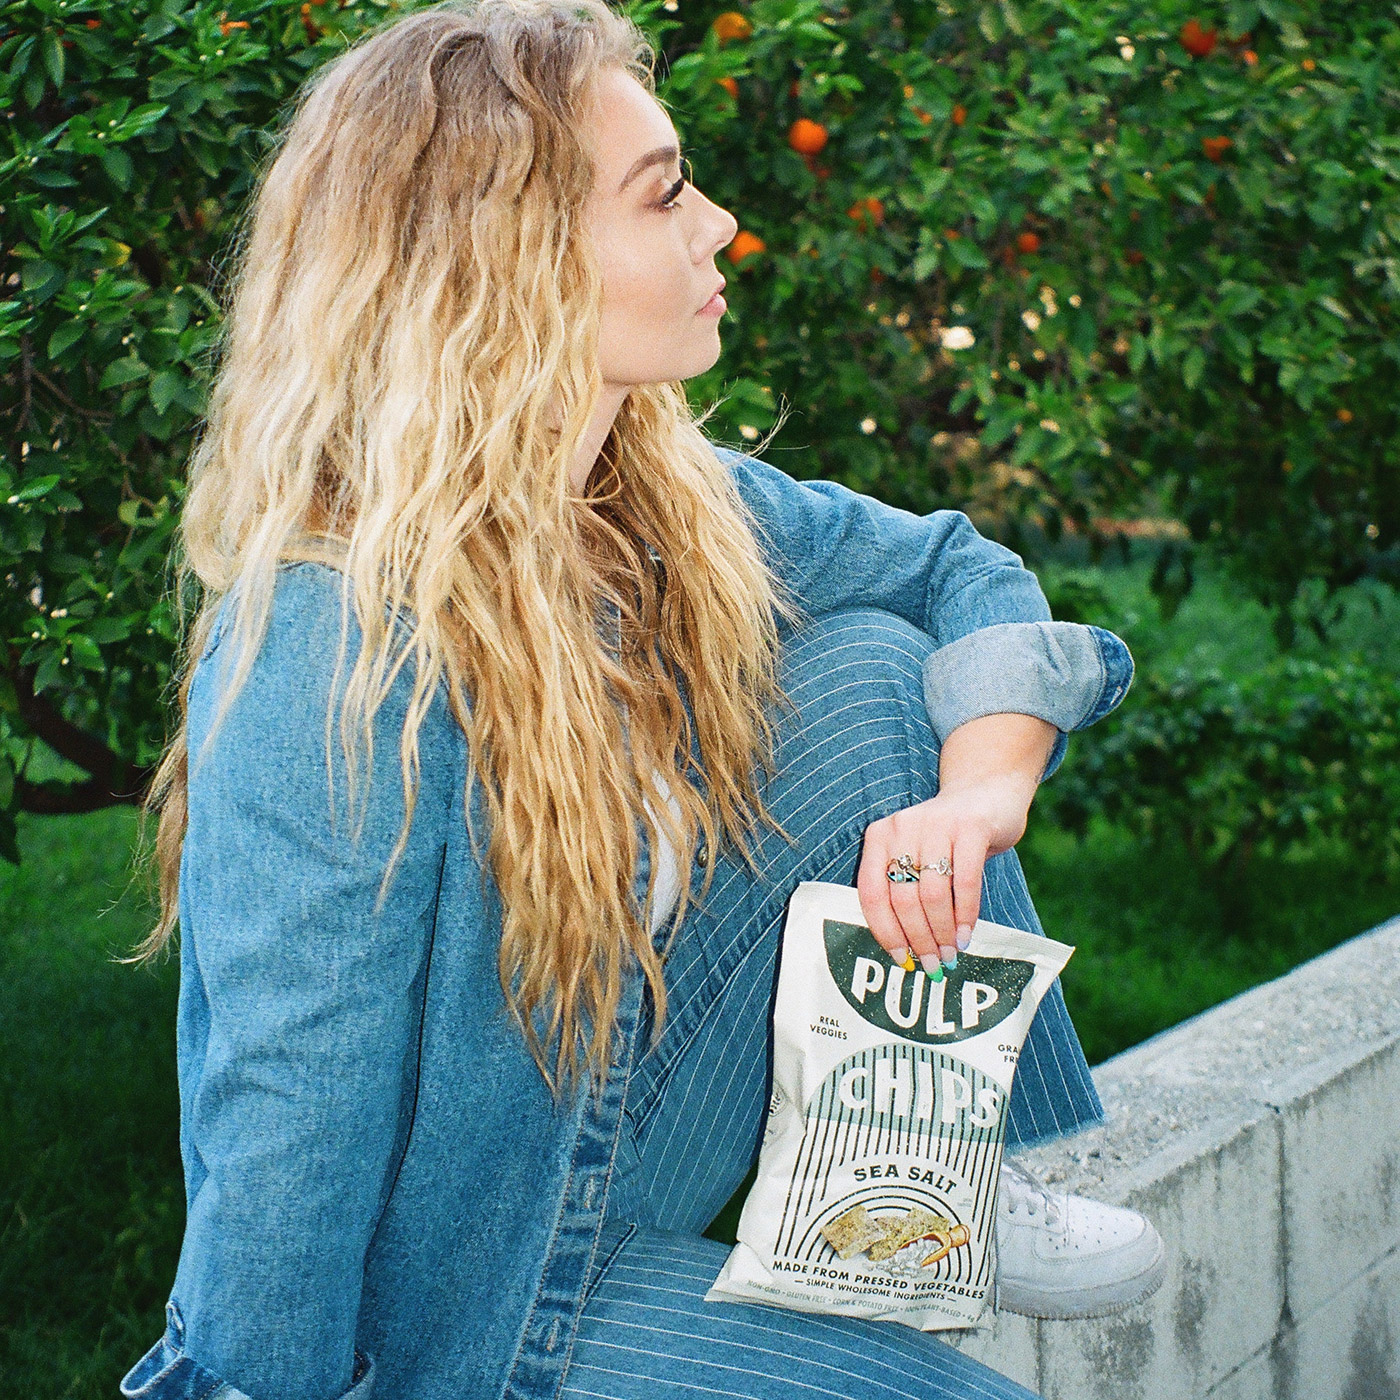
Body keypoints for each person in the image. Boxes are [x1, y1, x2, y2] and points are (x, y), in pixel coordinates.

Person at [118, 3, 1163, 1398]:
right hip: (460, 1309)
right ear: (509, 260)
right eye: (664, 193)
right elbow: (290, 1118)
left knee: (861, 662)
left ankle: (935, 1171)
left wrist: (979, 796)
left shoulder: (656, 501)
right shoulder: (335, 643)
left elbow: (958, 573)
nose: (719, 223)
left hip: (606, 1133)